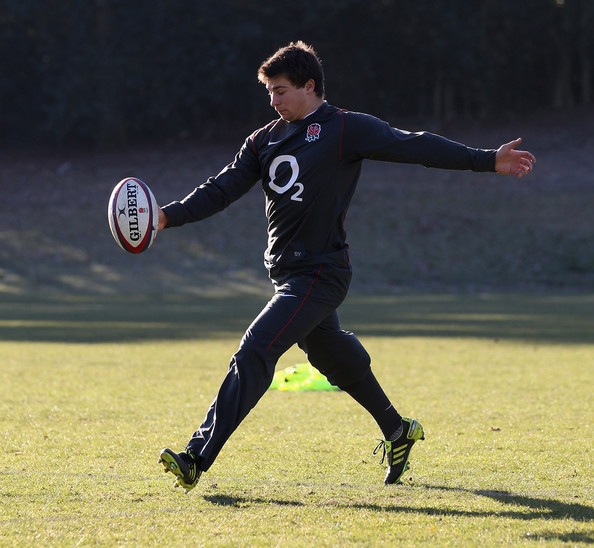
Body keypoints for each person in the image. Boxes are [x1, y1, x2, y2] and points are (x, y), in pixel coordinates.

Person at [157, 41, 536, 492]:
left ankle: (195, 458)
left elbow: (413, 145)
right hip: (286, 274)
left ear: (309, 86)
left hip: (321, 273)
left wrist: (486, 160)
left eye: (280, 91)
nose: (273, 101)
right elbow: (220, 190)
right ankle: (397, 429)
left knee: (255, 349)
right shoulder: (263, 140)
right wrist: (166, 216)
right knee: (333, 357)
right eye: (269, 92)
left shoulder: (343, 128)